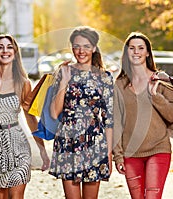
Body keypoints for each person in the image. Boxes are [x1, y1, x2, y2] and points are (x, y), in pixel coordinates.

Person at [0, 34, 50, 199]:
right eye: (0, 47)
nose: (5, 51)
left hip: (18, 144)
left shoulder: (23, 83)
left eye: (9, 47)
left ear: (15, 53)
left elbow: (30, 118)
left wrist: (43, 151)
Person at [112, 32, 173, 199]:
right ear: (126, 53)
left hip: (158, 149)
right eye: (132, 48)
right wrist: (118, 155)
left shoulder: (160, 80)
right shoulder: (119, 84)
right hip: (130, 153)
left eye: (141, 48)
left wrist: (156, 96)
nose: (136, 52)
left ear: (148, 52)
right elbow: (116, 123)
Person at [48, 26, 114, 199]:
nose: (81, 50)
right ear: (71, 48)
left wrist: (108, 155)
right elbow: (55, 113)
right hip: (67, 141)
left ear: (93, 48)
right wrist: (64, 81)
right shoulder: (63, 72)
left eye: (86, 46)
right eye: (77, 46)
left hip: (95, 142)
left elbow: (109, 120)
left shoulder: (104, 77)